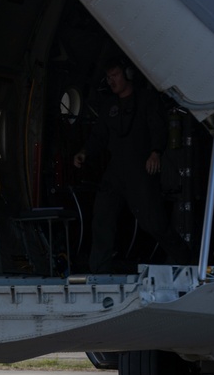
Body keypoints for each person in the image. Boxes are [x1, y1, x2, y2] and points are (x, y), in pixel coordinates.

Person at [73, 58, 192, 273]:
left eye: (115, 75)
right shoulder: (109, 106)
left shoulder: (147, 100)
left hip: (141, 170)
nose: (111, 81)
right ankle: (98, 270)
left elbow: (158, 128)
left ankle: (183, 259)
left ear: (128, 74)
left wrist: (155, 153)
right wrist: (84, 152)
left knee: (153, 223)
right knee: (102, 215)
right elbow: (99, 135)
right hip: (116, 170)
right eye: (108, 78)